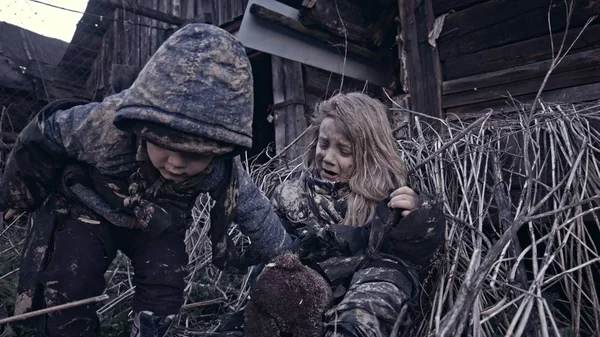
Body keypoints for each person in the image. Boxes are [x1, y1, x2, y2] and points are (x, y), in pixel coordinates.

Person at [0, 23, 292, 337]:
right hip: (87, 207)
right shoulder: (104, 126)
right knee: (69, 283)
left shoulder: (221, 168)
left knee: (165, 287)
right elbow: (40, 139)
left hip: (158, 222)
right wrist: (17, 196)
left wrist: (289, 258)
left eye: (196, 154)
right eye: (167, 146)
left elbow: (255, 211)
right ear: (142, 128)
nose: (178, 163)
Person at [219, 92, 446, 337]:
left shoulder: (387, 200)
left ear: (369, 155)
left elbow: (417, 260)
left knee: (387, 275)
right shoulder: (291, 194)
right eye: (323, 144)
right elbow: (270, 253)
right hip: (300, 298)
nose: (327, 158)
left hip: (359, 295)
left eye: (344, 151)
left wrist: (420, 216)